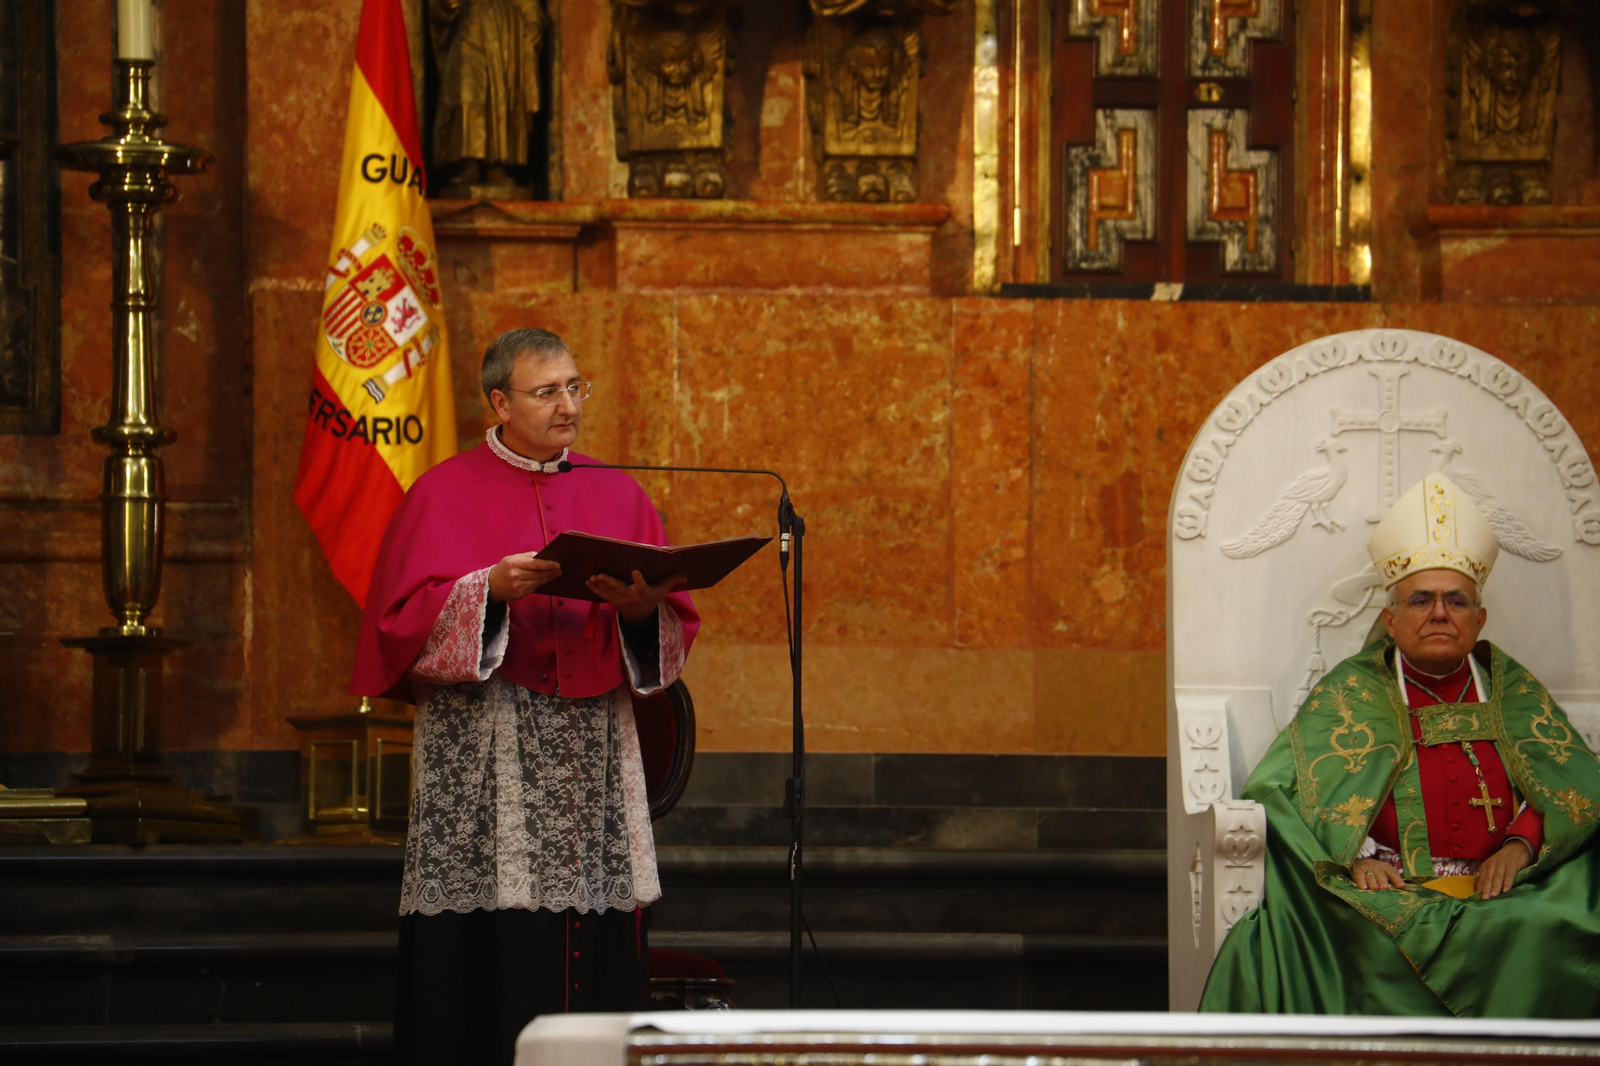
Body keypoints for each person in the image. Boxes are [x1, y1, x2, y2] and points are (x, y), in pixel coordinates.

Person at [351, 327, 697, 1064]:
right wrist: (489, 590)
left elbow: (669, 627)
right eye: (547, 392)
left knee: (590, 931)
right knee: (488, 946)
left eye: (575, 387)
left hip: (589, 749)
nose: (569, 406)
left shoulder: (618, 491)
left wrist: (640, 611)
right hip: (486, 740)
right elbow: (396, 625)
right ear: (500, 403)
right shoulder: (441, 492)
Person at [1200, 472, 1600, 1016]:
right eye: (1421, 600)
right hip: (1390, 894)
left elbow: (1574, 782)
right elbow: (1278, 790)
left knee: (1556, 922)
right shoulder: (1351, 692)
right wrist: (1356, 855)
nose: (1439, 613)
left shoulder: (1512, 690)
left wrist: (1521, 846)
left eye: (1456, 601)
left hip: (1507, 891)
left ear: (1479, 618)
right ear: (1391, 619)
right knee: (1352, 937)